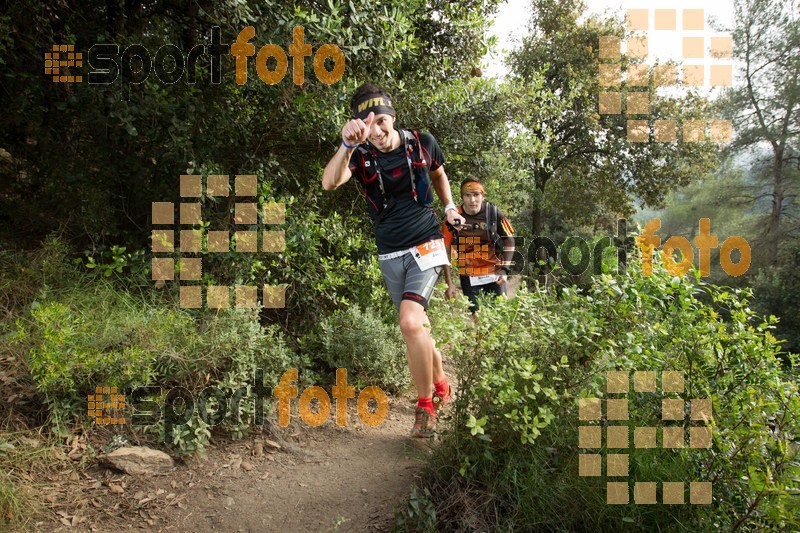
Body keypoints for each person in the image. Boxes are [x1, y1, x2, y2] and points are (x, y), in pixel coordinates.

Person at [321, 83, 465, 438]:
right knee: (419, 327)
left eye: (382, 121)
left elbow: (439, 173)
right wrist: (346, 146)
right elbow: (329, 182)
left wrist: (448, 206)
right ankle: (442, 382)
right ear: (361, 127)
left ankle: (425, 406)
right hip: (390, 252)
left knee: (410, 323)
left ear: (393, 117)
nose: (378, 131)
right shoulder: (361, 154)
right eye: (369, 125)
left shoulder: (422, 142)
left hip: (427, 244)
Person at [442, 177, 515, 313]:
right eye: (467, 195)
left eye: (476, 195)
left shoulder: (492, 212)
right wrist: (449, 284)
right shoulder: (452, 219)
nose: (472, 200)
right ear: (462, 197)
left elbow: (509, 241)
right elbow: (445, 252)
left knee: (499, 316)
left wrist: (505, 269)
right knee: (477, 319)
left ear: (483, 195)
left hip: (494, 273)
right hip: (469, 275)